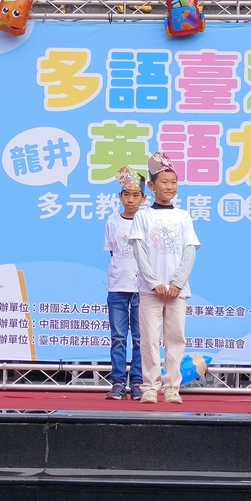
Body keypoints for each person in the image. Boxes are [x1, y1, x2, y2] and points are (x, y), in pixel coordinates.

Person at [129, 153, 200, 405]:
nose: (169, 186)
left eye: (173, 182)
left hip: (177, 291)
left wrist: (177, 282)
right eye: (164, 182)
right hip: (151, 291)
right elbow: (139, 251)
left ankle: (172, 386)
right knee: (149, 339)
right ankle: (150, 386)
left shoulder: (183, 216)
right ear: (151, 186)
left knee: (175, 338)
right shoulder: (143, 216)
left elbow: (190, 250)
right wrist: (155, 283)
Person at [104, 167, 145, 401]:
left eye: (135, 195)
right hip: (117, 286)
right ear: (120, 197)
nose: (130, 200)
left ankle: (138, 382)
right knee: (118, 336)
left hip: (142, 287)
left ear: (143, 198)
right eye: (126, 195)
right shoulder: (112, 222)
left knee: (140, 338)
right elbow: (113, 251)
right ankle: (118, 382)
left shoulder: (147, 222)